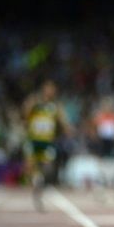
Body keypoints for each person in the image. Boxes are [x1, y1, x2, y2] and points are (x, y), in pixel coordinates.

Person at [22, 79, 72, 211]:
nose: (51, 91)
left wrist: (66, 128)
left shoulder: (55, 106)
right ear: (44, 89)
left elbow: (63, 120)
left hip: (47, 142)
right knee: (30, 167)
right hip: (34, 141)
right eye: (49, 88)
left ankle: (39, 183)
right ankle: (35, 183)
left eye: (53, 89)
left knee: (48, 168)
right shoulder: (34, 103)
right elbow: (25, 116)